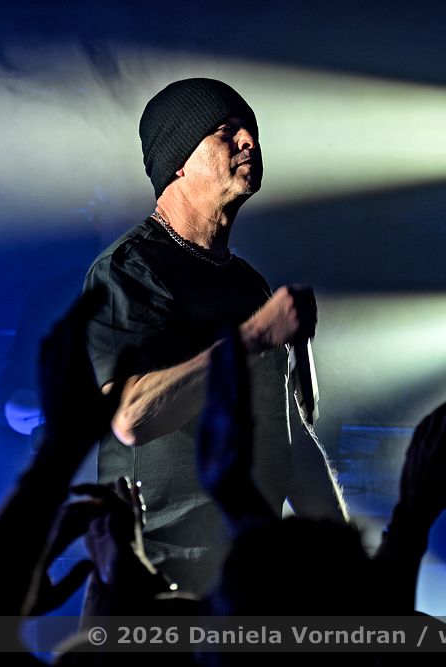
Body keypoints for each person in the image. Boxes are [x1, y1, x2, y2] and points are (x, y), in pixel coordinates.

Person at [82, 78, 348, 595]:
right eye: (226, 130)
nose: (249, 140)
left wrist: (348, 563)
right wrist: (253, 337)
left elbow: (291, 434)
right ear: (178, 161)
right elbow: (132, 417)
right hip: (160, 580)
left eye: (251, 129)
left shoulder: (249, 285)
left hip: (249, 577)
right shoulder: (131, 270)